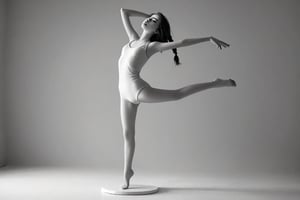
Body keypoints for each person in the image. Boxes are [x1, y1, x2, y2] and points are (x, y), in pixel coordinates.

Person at [118, 8, 236, 189]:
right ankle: (127, 172)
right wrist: (148, 15)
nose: (149, 21)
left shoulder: (151, 47)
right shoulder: (132, 40)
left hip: (136, 89)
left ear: (157, 31)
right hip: (123, 94)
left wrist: (208, 38)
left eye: (154, 22)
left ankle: (215, 83)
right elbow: (124, 11)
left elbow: (183, 42)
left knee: (177, 95)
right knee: (128, 134)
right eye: (149, 19)